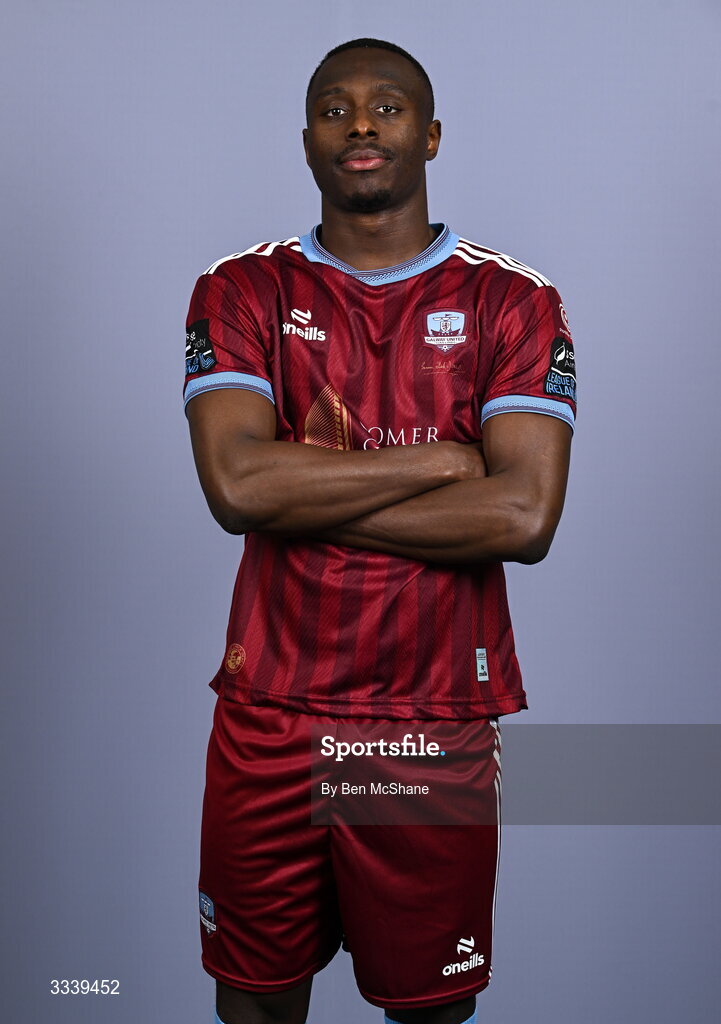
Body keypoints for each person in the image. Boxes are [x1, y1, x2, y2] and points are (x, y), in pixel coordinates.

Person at [183, 37, 576, 1024]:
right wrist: (443, 462)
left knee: (429, 1012)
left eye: (387, 106)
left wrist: (305, 488)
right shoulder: (242, 290)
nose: (360, 123)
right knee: (255, 1002)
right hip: (268, 709)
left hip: (430, 718)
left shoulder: (511, 300)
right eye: (334, 108)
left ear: (431, 134)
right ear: (306, 143)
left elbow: (523, 515)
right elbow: (236, 485)